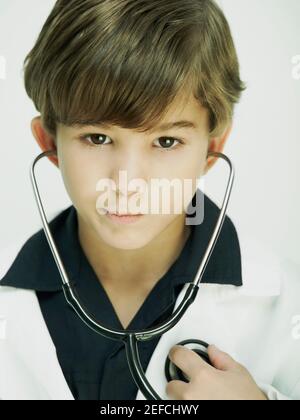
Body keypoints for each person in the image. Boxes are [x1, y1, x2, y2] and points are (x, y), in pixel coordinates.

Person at [0, 0, 299, 400]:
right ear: (49, 143)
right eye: (98, 138)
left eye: (166, 141)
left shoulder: (285, 302)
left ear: (212, 148)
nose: (127, 183)